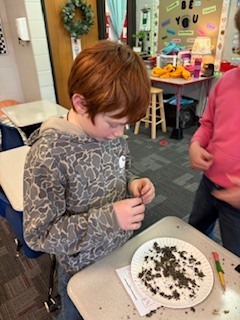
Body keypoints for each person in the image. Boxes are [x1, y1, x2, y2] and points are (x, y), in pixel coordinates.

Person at [23, 40, 155, 319]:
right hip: (81, 271)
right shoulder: (49, 155)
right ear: (81, 104)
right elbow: (38, 235)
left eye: (126, 124)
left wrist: (132, 183)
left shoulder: (109, 134)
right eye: (114, 123)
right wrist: (110, 219)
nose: (120, 133)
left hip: (120, 253)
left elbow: (121, 171)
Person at [188, 7, 240, 258]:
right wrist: (196, 145)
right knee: (196, 234)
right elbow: (207, 123)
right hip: (209, 182)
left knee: (235, 258)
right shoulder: (226, 82)